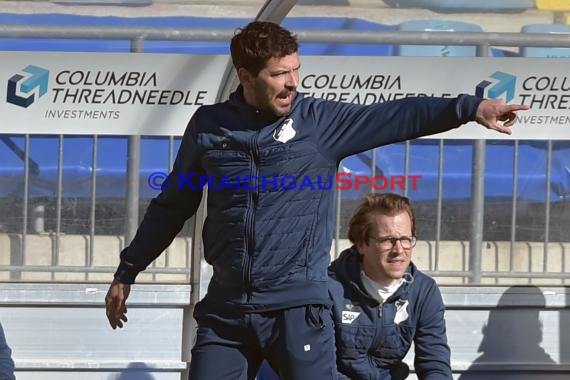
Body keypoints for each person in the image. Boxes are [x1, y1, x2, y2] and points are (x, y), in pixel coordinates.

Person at [104, 21, 528, 380]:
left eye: (296, 70)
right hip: (227, 310)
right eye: (278, 73)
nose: (292, 82)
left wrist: (470, 108)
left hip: (298, 308)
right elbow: (174, 204)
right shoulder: (210, 127)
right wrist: (129, 269)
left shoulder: (319, 123)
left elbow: (398, 115)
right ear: (246, 77)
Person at [328, 193, 451, 380]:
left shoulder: (423, 291)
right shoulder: (330, 289)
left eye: (405, 239)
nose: (399, 250)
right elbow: (318, 369)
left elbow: (435, 363)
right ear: (361, 244)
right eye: (387, 240)